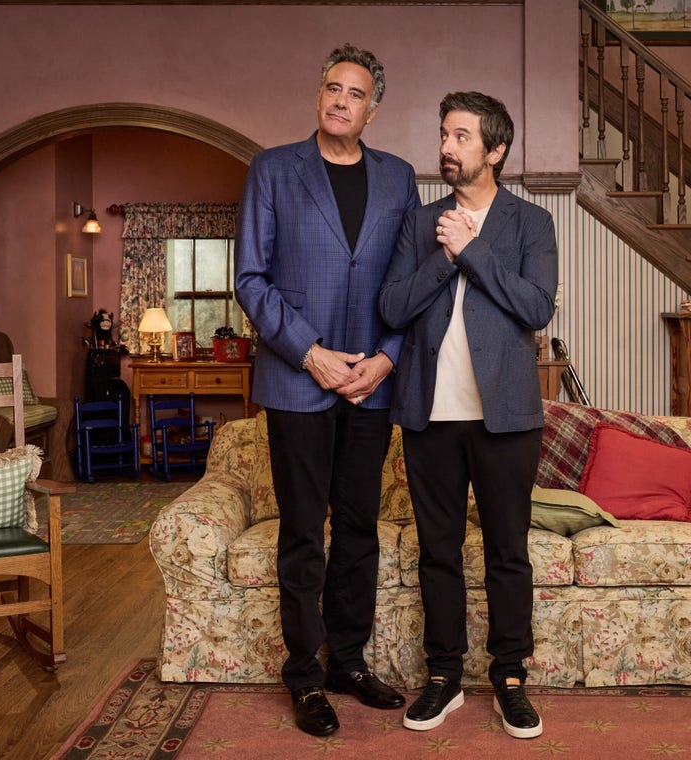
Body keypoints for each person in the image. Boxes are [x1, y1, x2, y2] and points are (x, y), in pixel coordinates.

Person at [234, 42, 420, 737]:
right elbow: (250, 278)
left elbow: (412, 282)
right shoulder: (273, 169)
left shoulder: (399, 178)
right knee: (304, 532)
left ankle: (347, 662)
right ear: (319, 95)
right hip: (297, 381)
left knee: (359, 530)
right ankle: (305, 677)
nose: (341, 100)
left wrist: (388, 359)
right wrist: (310, 354)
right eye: (332, 88)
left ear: (374, 109)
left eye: (355, 93)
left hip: (370, 386)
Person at [378, 91, 558, 740]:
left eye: (461, 136)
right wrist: (445, 255)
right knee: (439, 553)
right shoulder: (420, 223)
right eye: (444, 134)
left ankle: (510, 678)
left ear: (496, 150)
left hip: (506, 418)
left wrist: (474, 251)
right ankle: (444, 677)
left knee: (508, 553)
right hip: (430, 416)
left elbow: (536, 307)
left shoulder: (531, 223)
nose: (446, 147)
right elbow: (393, 306)